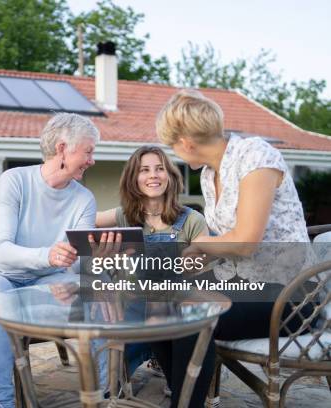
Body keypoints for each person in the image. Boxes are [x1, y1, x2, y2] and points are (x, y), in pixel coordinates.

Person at [153, 89, 311, 407]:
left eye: (172, 146)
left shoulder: (255, 156)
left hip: (289, 295)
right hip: (241, 283)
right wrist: (201, 254)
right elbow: (228, 242)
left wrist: (195, 242)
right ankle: (182, 395)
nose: (175, 153)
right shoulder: (211, 174)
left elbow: (245, 241)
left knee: (190, 314)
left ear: (185, 142)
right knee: (156, 300)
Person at [0, 113, 102, 408]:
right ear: (63, 148)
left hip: (45, 279)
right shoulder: (15, 180)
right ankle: (2, 403)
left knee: (93, 293)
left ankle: (102, 394)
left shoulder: (84, 199)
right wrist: (48, 255)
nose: (92, 160)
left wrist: (95, 258)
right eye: (89, 151)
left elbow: (77, 264)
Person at [96, 145, 208, 380]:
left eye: (159, 168)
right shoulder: (123, 216)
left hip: (175, 310)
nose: (153, 175)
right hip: (134, 308)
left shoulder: (193, 220)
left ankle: (166, 363)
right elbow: (84, 221)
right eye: (144, 170)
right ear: (133, 179)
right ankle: (150, 356)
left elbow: (202, 275)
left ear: (170, 175)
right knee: (110, 378)